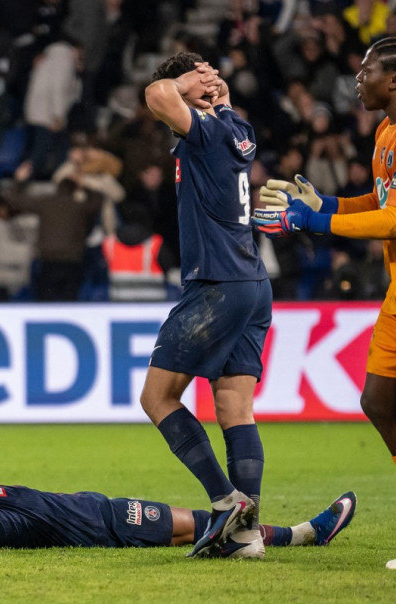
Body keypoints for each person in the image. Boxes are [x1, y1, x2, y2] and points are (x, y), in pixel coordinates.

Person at [253, 36, 396, 570]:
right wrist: (325, 203)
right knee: (378, 402)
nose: (357, 81)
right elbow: (382, 202)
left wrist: (312, 222)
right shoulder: (387, 131)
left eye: (366, 72)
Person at [139, 52, 272, 559]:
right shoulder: (238, 128)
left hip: (217, 282)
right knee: (234, 406)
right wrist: (216, 87)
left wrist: (188, 79)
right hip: (253, 282)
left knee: (157, 398)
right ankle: (246, 537)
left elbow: (156, 95)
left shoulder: (208, 131)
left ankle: (225, 502)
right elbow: (200, 103)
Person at [0, 435, 356, 552]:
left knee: (206, 531)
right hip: (102, 524)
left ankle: (299, 533)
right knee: (205, 526)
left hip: (89, 510)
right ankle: (307, 533)